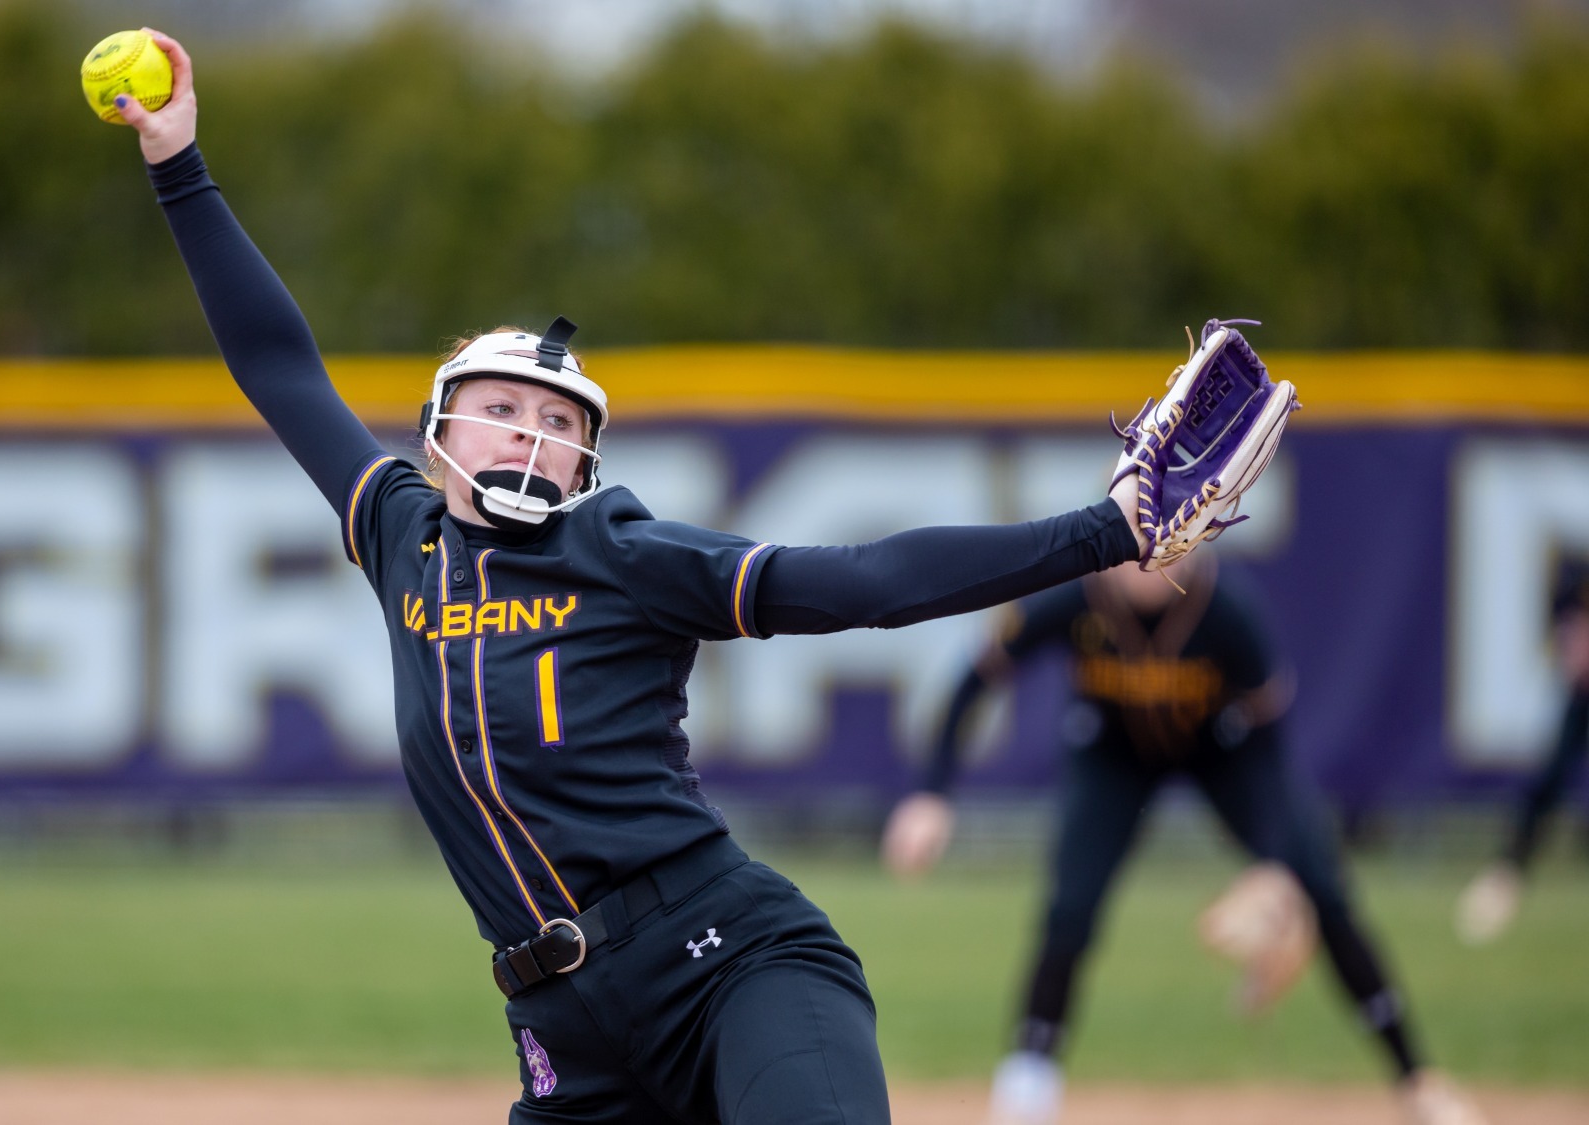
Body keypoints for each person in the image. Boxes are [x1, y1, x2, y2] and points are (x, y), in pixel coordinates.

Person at [114, 30, 1162, 1123]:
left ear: (584, 463)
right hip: (564, 1036)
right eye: (500, 408)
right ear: (439, 437)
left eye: (559, 422)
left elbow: (864, 581)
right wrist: (177, 165)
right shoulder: (398, 532)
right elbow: (277, 365)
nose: (530, 432)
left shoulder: (621, 553)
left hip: (733, 964)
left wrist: (1103, 532)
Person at [881, 555, 1487, 1125]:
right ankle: (1026, 1085)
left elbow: (1271, 754)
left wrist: (1276, 863)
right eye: (1139, 538)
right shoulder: (1074, 596)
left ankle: (1416, 1078)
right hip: (1112, 753)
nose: (1152, 557)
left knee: (1322, 889)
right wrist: (931, 793)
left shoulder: (1228, 611)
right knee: (1070, 906)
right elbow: (977, 677)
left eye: (1171, 538)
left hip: (1224, 751)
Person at [1456, 560, 1589, 945]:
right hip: (1582, 695)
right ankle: (1508, 869)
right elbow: (1566, 631)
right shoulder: (1574, 577)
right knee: (1549, 781)